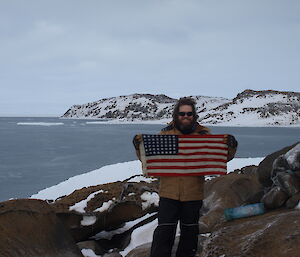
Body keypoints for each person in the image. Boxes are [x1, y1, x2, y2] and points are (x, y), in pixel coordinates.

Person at [133, 97, 238, 257]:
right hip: (169, 194)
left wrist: (231, 146)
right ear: (176, 115)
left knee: (189, 234)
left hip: (193, 194)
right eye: (182, 113)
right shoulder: (165, 134)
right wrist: (138, 146)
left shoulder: (204, 134)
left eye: (189, 113)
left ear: (194, 115)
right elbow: (151, 159)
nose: (185, 116)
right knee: (164, 232)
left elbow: (218, 158)